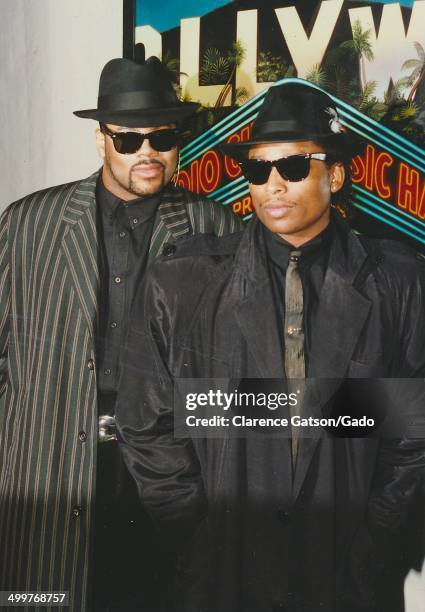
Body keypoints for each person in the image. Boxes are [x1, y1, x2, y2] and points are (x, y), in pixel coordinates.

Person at [118, 82, 425, 611]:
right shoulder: (183, 281)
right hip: (221, 575)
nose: (273, 186)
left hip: (345, 576)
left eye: (293, 167)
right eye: (258, 171)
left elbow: (412, 432)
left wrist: (373, 540)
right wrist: (197, 534)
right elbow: (146, 423)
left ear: (335, 174)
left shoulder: (397, 282)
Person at [0, 53, 243, 611]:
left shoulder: (220, 231)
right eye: (129, 140)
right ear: (101, 140)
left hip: (170, 476)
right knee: (45, 598)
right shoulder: (28, 224)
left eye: (162, 138)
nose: (148, 154)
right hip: (50, 467)